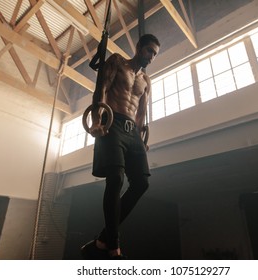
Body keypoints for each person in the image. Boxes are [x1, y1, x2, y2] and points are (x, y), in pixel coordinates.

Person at [81, 34, 160, 259]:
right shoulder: (117, 62)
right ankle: (114, 245)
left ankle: (102, 241)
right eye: (149, 51)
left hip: (132, 131)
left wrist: (141, 140)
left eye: (155, 54)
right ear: (139, 48)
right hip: (112, 121)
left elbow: (142, 112)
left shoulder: (146, 80)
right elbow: (102, 89)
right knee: (115, 178)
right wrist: (97, 119)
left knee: (142, 184)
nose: (151, 57)